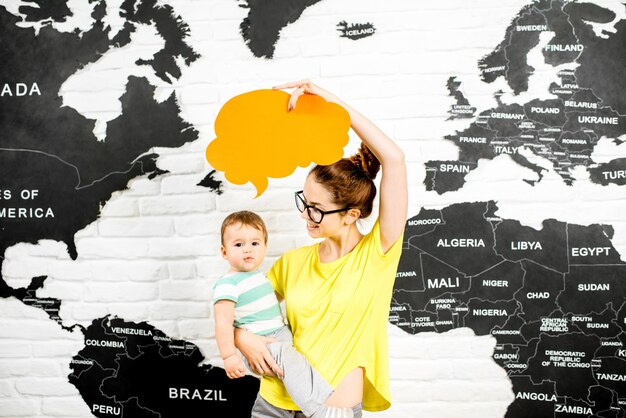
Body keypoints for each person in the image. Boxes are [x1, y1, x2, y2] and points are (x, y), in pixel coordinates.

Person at [234, 80, 408, 418]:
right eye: (304, 201)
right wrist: (242, 338)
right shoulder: (292, 263)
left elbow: (395, 159)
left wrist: (327, 101)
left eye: (315, 208)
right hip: (273, 403)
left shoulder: (377, 255)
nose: (305, 214)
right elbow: (238, 309)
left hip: (332, 409)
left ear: (351, 216)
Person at [213, 210, 355, 418]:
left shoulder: (258, 277)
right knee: (290, 358)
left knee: (302, 359)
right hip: (260, 344)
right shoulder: (228, 284)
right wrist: (229, 357)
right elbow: (222, 323)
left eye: (254, 243)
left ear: (265, 247)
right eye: (238, 244)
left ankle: (326, 397)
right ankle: (319, 409)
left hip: (279, 334)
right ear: (224, 252)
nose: (247, 250)